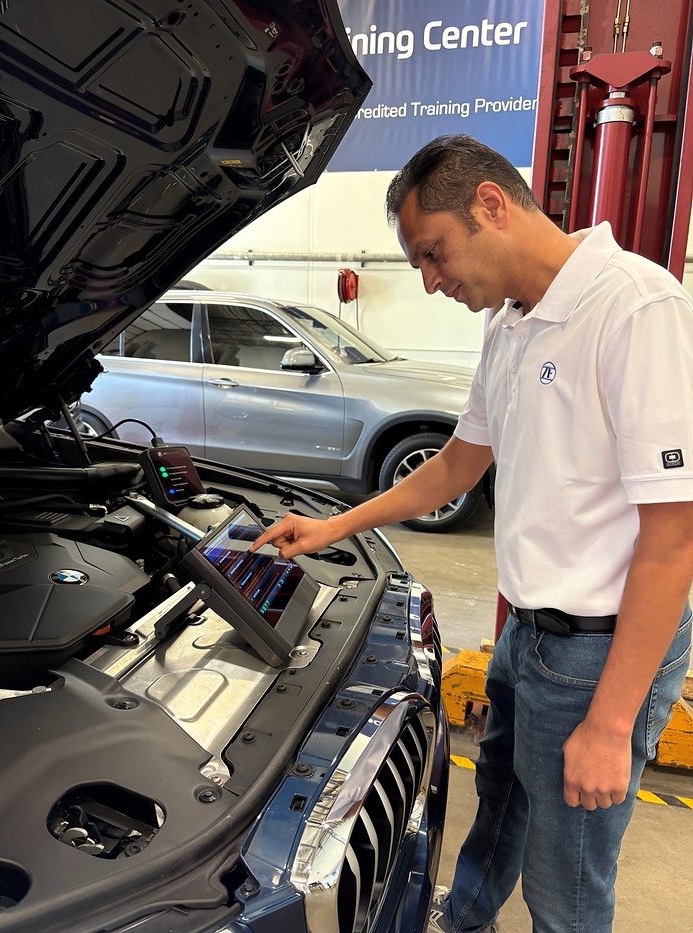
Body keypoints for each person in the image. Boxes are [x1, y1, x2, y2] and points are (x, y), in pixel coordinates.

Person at [250, 135, 693, 932]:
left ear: (490, 204)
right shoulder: (510, 323)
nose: (428, 281)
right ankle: (469, 917)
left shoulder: (637, 308)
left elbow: (675, 538)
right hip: (527, 632)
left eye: (432, 253)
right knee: (499, 805)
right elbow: (456, 465)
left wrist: (610, 720)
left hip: (601, 651)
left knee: (567, 884)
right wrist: (331, 524)